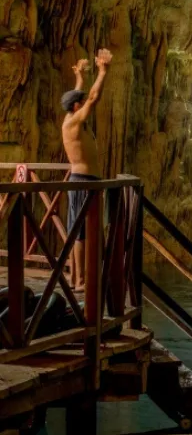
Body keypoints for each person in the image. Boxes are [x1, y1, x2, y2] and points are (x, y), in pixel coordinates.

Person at [61, 48, 112, 291]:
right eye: (79, 103)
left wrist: (79, 76)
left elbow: (80, 95)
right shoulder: (73, 122)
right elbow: (92, 98)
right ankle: (80, 280)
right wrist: (103, 72)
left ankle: (76, 278)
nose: (84, 105)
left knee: (79, 230)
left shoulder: (70, 118)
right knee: (80, 232)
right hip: (82, 180)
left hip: (85, 180)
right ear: (75, 107)